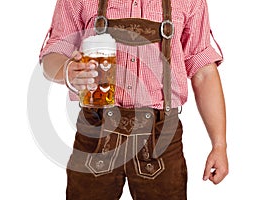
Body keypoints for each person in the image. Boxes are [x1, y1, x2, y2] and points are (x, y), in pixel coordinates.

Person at [39, 0, 229, 199]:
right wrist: (67, 70)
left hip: (161, 134)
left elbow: (204, 72)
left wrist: (219, 145)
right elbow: (52, 56)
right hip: (96, 131)